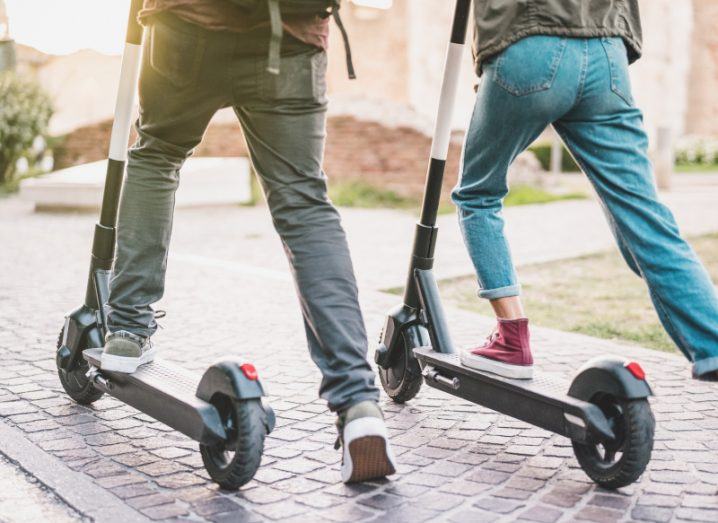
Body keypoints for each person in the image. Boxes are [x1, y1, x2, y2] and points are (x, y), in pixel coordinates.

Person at [101, 0, 396, 483]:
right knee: (303, 203)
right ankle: (358, 401)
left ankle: (127, 330)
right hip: (292, 34)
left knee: (156, 157)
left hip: (186, 25)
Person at [452, 0, 718, 381]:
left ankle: (511, 341)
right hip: (607, 51)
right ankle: (713, 342)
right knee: (641, 211)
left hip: (529, 41)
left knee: (478, 195)